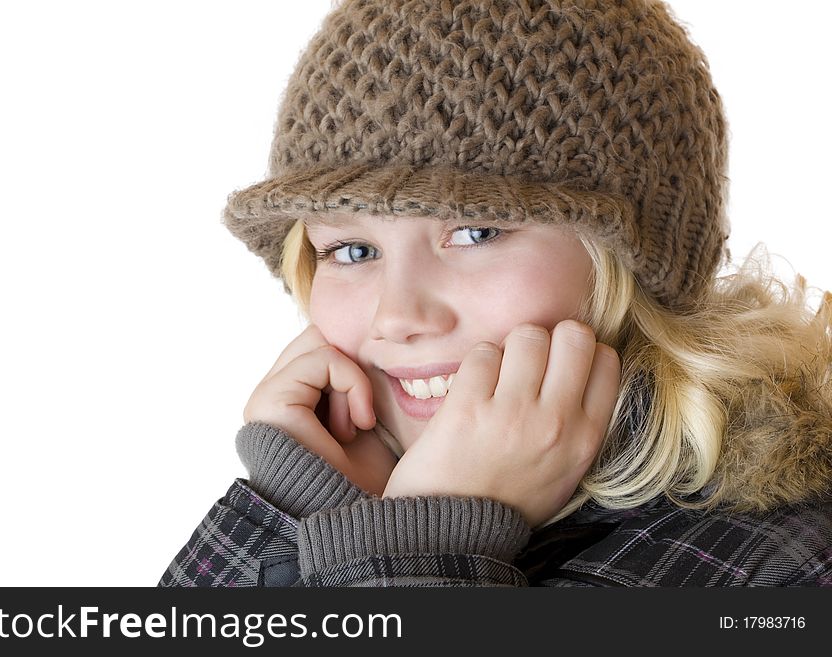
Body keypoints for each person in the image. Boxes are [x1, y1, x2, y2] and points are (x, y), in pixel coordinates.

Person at [158, 0, 832, 587]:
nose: (397, 316)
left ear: (634, 262)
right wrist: (300, 510)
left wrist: (426, 548)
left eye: (476, 231)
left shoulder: (782, 567)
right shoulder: (346, 484)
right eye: (353, 250)